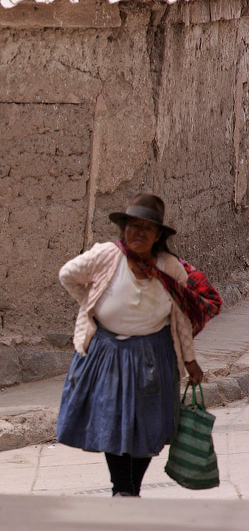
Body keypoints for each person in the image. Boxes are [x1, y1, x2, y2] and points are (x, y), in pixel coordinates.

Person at [56, 193, 206, 497]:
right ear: (123, 229)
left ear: (158, 236)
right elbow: (67, 275)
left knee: (148, 425)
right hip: (107, 353)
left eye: (146, 228)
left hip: (154, 354)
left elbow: (181, 318)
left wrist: (189, 359)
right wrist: (90, 303)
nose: (137, 233)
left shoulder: (170, 268)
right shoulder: (105, 255)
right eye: (132, 226)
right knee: (112, 420)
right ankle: (122, 489)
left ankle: (131, 488)